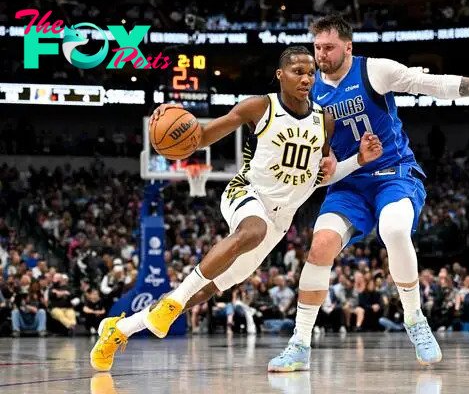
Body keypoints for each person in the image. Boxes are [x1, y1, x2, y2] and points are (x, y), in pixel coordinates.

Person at [269, 14, 469, 371]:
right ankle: (300, 343)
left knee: (394, 230)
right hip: (348, 183)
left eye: (329, 47)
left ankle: (415, 320)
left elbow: (436, 85)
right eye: (317, 47)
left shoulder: (375, 71)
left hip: (392, 172)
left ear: (348, 47)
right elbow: (323, 169)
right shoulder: (307, 95)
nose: (321, 54)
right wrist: (331, 165)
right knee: (319, 246)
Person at [90, 45, 383, 372]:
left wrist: (359, 160)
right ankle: (171, 303)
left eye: (311, 73)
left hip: (279, 222)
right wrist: (170, 120)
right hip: (245, 194)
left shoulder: (324, 121)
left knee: (204, 292)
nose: (306, 78)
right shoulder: (259, 107)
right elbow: (200, 137)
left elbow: (317, 178)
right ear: (280, 75)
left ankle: (120, 329)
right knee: (251, 231)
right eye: (297, 71)